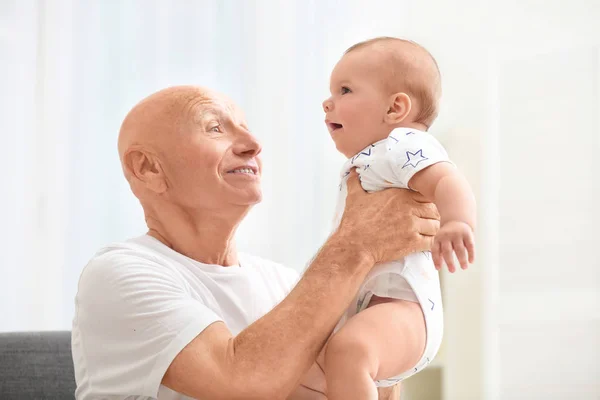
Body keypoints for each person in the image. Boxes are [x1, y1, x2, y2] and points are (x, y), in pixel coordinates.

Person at [71, 85, 440, 400]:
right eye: (215, 128)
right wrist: (358, 242)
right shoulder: (118, 274)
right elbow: (243, 382)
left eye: (246, 129)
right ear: (148, 168)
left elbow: (376, 381)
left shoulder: (283, 283)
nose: (253, 145)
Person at [317, 37, 477, 399]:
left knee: (348, 353)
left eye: (345, 90)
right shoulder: (375, 156)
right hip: (377, 304)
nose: (328, 102)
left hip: (402, 306)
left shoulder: (402, 143)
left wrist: (457, 222)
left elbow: (449, 179)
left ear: (395, 108)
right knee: (355, 367)